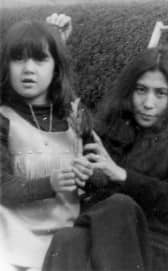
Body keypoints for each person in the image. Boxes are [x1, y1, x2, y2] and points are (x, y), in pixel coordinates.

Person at [42, 45, 168, 271]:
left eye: (160, 93)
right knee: (67, 240)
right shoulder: (115, 126)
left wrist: (122, 176)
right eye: (141, 90)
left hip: (158, 240)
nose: (148, 103)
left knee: (119, 205)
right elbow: (97, 187)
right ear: (129, 91)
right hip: (104, 233)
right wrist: (89, 174)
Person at [0, 19, 92, 270]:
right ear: (6, 66)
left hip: (65, 240)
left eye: (40, 59)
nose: (28, 68)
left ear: (56, 68)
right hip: (11, 241)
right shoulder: (3, 118)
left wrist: (90, 174)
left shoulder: (74, 116)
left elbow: (102, 176)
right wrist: (49, 183)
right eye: (18, 59)